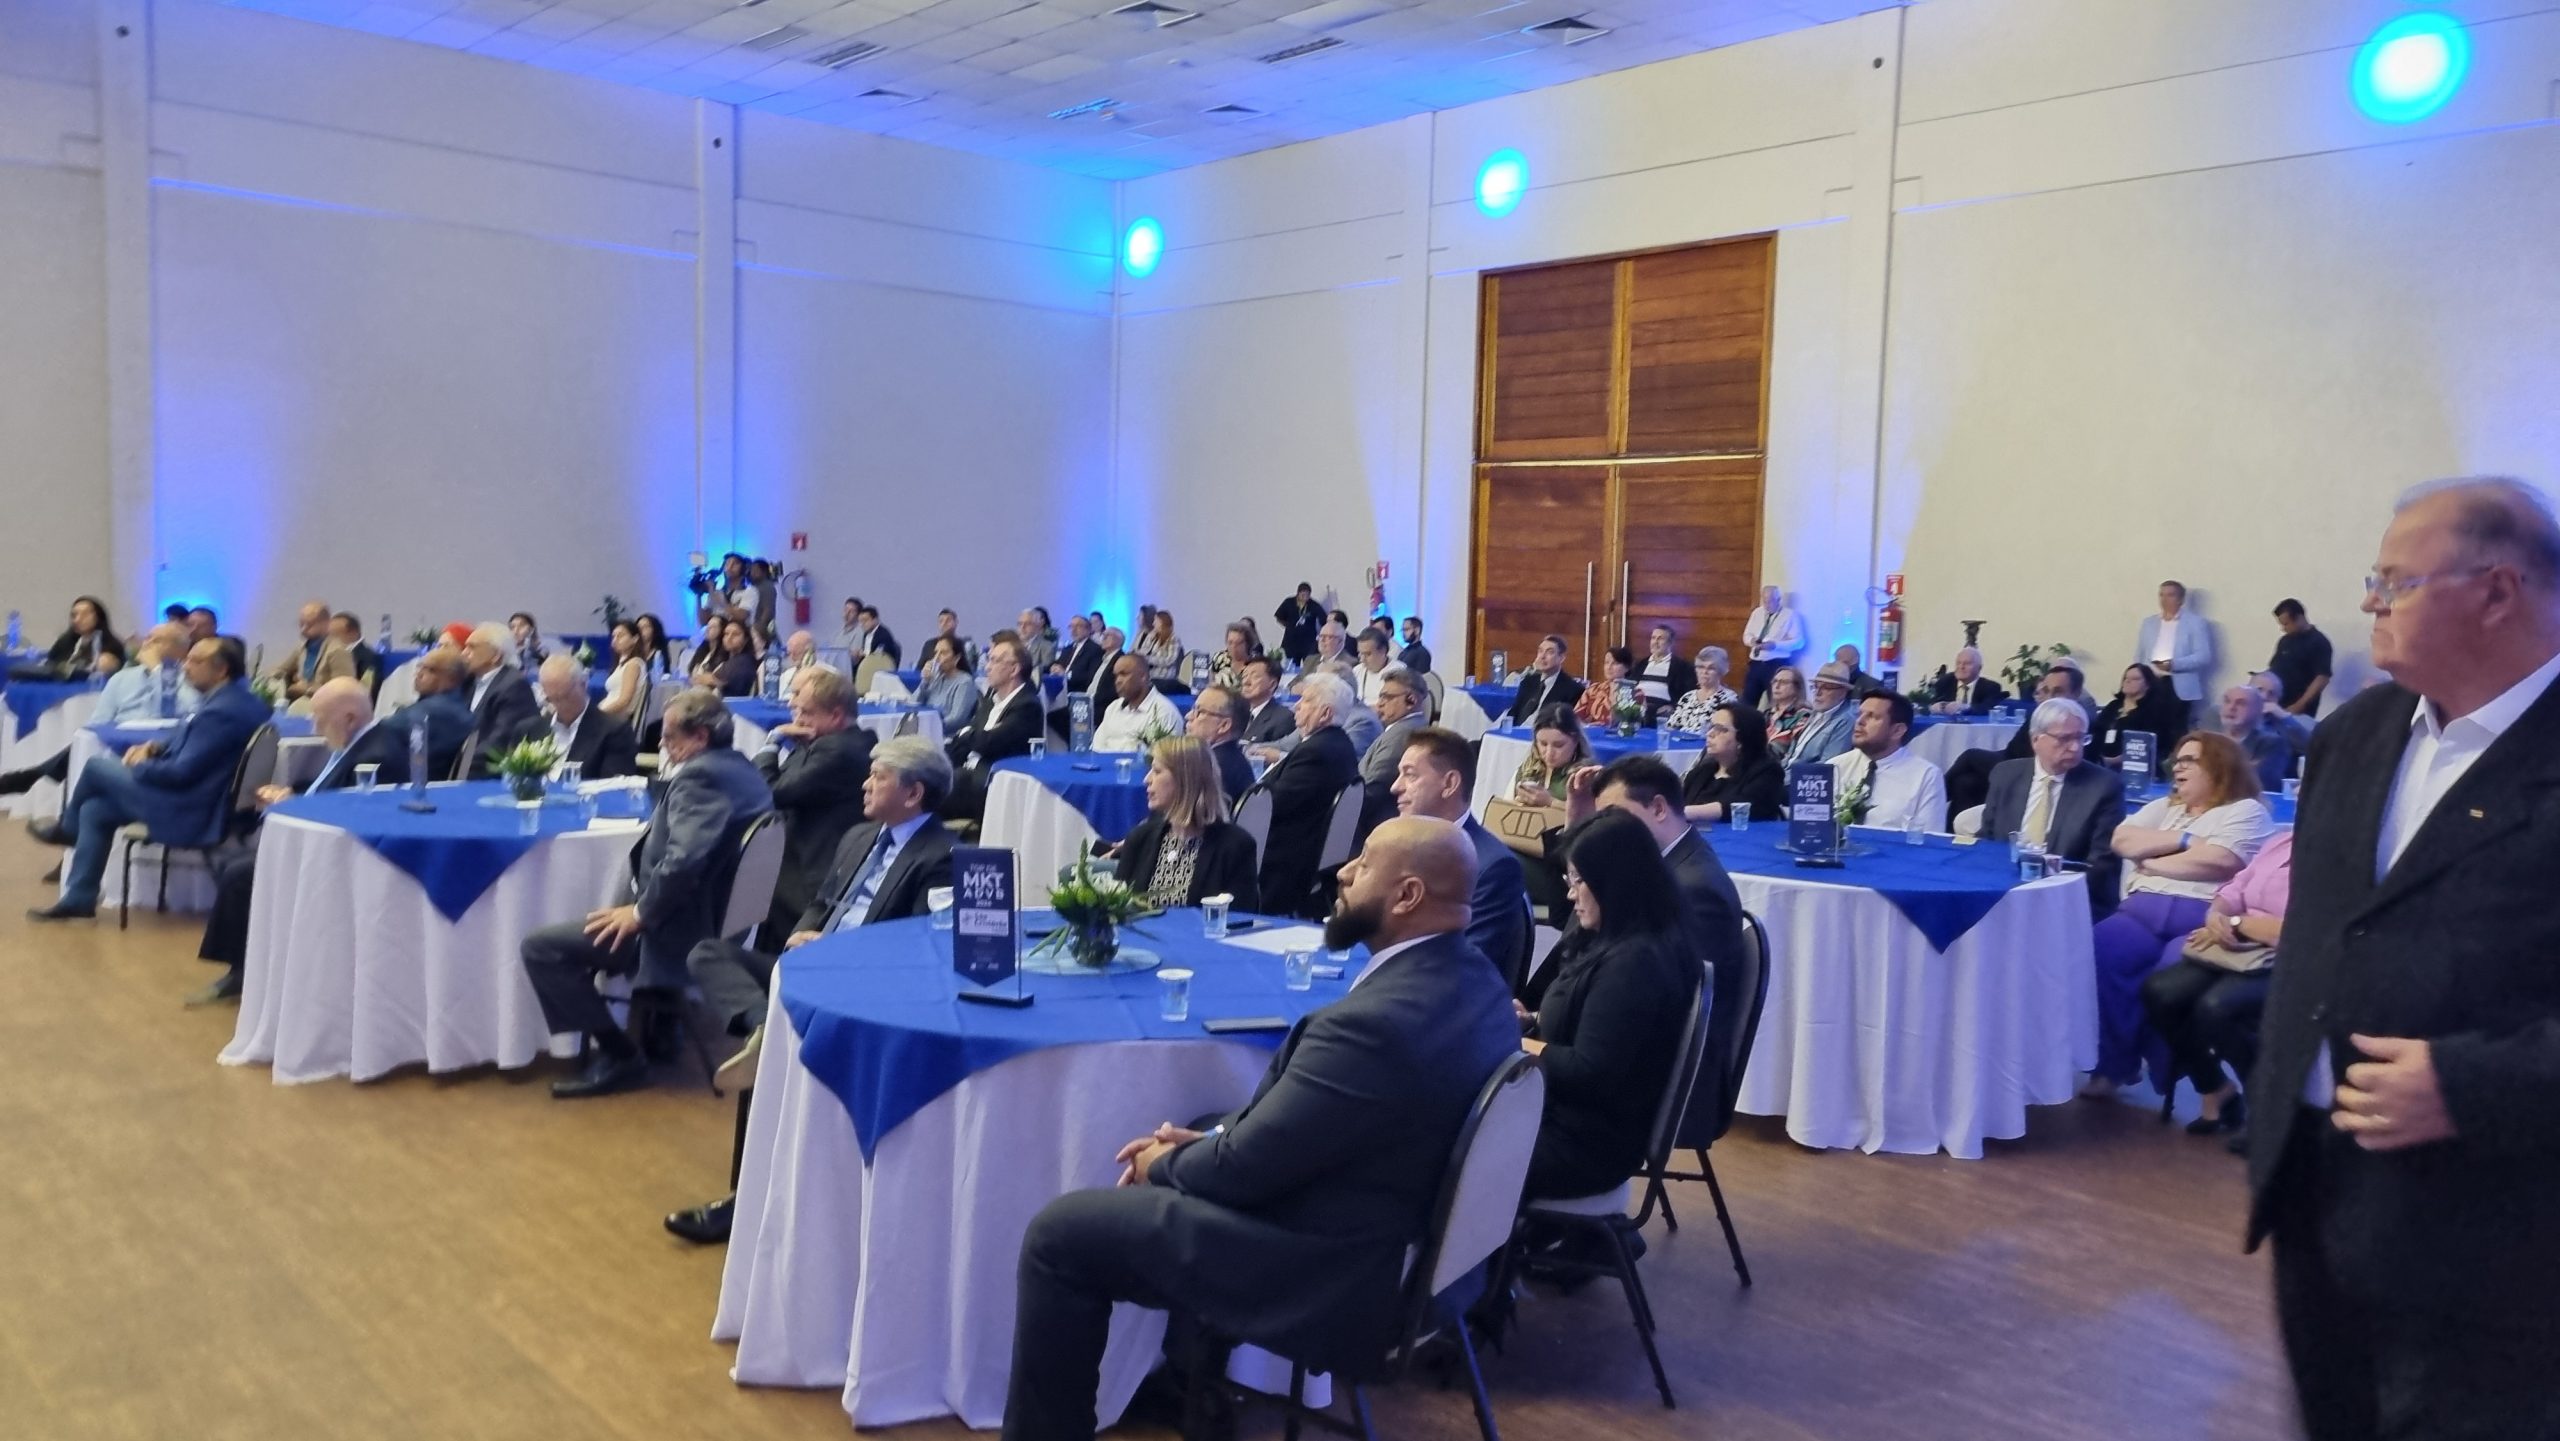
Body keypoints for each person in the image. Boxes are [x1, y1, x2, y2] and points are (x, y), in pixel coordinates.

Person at [999, 818, 1518, 1441]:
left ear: (1407, 895)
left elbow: (1241, 1171)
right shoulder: (1479, 981)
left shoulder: (1372, 1026)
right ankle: (1194, 1378)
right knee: (1205, 1126)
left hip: (1345, 1276)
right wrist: (1206, 1143)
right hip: (1424, 1252)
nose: (1344, 873)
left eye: (1363, 863)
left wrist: (1160, 1162)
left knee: (1061, 1236)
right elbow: (1308, 1134)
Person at [2245, 477, 2560, 1439]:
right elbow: (2332, 934)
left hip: (2499, 1221)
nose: (2370, 603)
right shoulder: (2356, 734)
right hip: (2317, 1190)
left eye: (2395, 583)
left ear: (2497, 591)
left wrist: (2472, 1083)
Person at [667, 734, 955, 1244]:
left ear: (913, 794)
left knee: (775, 1049)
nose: (865, 785)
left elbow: (919, 948)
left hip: (863, 990)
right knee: (709, 954)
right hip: (811, 969)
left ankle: (742, 1201)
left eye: (879, 777)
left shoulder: (943, 855)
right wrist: (800, 938)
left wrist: (837, 951)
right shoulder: (858, 836)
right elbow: (822, 904)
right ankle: (762, 1027)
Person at [518, 690, 773, 1099]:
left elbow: (684, 861)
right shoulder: (741, 768)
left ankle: (620, 1056)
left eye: (670, 737)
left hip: (675, 930)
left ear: (700, 737)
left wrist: (639, 914)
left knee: (542, 948)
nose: (662, 745)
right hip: (713, 918)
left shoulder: (700, 778)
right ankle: (659, 1023)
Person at [187, 678, 409, 1003]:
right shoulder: (361, 742)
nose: (314, 727)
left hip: (346, 858)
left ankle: (245, 971)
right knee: (237, 866)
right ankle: (251, 963)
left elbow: (353, 813)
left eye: (320, 718)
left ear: (349, 718)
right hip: (324, 844)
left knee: (240, 874)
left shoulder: (377, 756)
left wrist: (293, 804)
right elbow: (332, 792)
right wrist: (292, 794)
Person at [1518, 809, 1701, 1200]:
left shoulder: (1634, 963)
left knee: (1435, 1141)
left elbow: (1590, 1070)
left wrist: (1517, 1044)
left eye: (1578, 881)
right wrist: (1534, 1019)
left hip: (1582, 1146)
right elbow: (1599, 1025)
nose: (1570, 894)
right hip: (1570, 1121)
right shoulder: (1622, 938)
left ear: (1614, 881)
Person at [2086, 730, 2273, 1098]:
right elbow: (2121, 840)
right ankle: (2113, 1065)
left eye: (2189, 761)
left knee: (2168, 981)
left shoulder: (2245, 811)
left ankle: (2171, 1070)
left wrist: (2152, 862)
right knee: (2100, 949)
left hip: (2200, 919)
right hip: (2140, 912)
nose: (2177, 767)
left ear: (2219, 767)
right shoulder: (2164, 808)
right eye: (2177, 760)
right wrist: (2184, 840)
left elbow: (2220, 860)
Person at [27, 639, 266, 921]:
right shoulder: (242, 702)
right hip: (204, 800)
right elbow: (195, 743)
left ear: (222, 669)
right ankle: (79, 898)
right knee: (95, 810)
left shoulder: (219, 713)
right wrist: (155, 748)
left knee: (95, 767)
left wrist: (141, 766)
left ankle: (68, 829)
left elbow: (180, 774)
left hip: (190, 810)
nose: (185, 667)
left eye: (195, 661)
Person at [2139, 829, 2290, 1141]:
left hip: (2290, 959)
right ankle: (2214, 1086)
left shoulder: (2337, 856)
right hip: (2239, 947)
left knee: (2217, 1008)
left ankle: (2265, 1108)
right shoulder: (2281, 841)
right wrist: (2217, 915)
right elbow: (2236, 887)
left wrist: (2240, 924)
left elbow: (2300, 929)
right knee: (2161, 992)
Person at [1391, 727, 1529, 988]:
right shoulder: (1401, 845)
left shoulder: (1492, 867)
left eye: (1410, 775)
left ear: (1449, 784)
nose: (1395, 786)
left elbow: (1465, 965)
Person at [745, 666, 874, 941]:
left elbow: (769, 793)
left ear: (836, 715)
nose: (798, 720)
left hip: (808, 874)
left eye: (806, 712)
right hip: (797, 859)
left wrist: (772, 742)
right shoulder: (830, 741)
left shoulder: (837, 751)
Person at [0, 622, 197, 798]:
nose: (148, 644)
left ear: (180, 650)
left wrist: (158, 672)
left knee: (78, 752)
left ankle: (34, 775)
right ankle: (55, 801)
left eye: (158, 641)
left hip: (161, 745)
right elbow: (98, 722)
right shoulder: (122, 678)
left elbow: (185, 710)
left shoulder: (190, 678)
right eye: (148, 638)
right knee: (82, 744)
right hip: (118, 740)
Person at [1981, 698, 2125, 912]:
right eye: (2064, 738)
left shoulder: (2103, 786)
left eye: (2081, 738)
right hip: (2001, 891)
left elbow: (2101, 866)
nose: (2075, 747)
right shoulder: (2006, 775)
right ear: (2036, 740)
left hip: (2066, 898)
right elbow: (1988, 841)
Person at [1237, 671, 1359, 918]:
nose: (1296, 707)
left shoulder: (1318, 752)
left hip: (1287, 858)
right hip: (1303, 845)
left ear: (1325, 713)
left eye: (1305, 701)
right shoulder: (1334, 743)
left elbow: (1271, 805)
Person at [1110, 737, 1260, 910]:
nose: (1147, 779)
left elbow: (1240, 918)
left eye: (1157, 771)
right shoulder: (1140, 838)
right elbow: (1117, 910)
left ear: (1185, 779)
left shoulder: (1235, 846)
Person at [942, 636, 1043, 821]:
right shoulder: (991, 701)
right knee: (917, 773)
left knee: (920, 792)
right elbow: (967, 737)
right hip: (964, 771)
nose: (987, 667)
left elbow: (986, 742)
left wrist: (967, 736)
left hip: (986, 782)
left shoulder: (1027, 705)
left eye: (994, 661)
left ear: (1014, 669)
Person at [1827, 692, 1947, 831]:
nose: (1859, 721)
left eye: (1872, 716)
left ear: (1897, 731)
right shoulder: (1835, 767)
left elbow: (1929, 837)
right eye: (1859, 714)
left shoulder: (1926, 776)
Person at [536, 655, 638, 781]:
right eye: (551, 699)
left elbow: (614, 787)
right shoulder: (532, 730)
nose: (559, 705)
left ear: (583, 685)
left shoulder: (614, 731)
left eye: (565, 697)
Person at [460, 622, 543, 775]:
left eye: (471, 648)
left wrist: (457, 762)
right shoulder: (468, 682)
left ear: (496, 656)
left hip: (490, 775)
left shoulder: (514, 687)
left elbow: (500, 743)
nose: (463, 653)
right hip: (465, 769)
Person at [1681, 702, 1784, 824]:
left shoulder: (1767, 771)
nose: (1710, 734)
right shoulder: (1701, 772)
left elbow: (1742, 806)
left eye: (1720, 729)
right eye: (1711, 727)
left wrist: (1685, 813)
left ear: (1742, 738)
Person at [2137, 579, 2214, 721]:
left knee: (2176, 726)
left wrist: (2173, 664)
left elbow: (2203, 656)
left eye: (2170, 595)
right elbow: (2140, 654)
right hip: (2151, 682)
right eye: (2161, 595)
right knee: (2148, 723)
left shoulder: (2195, 623)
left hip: (2178, 685)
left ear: (2181, 599)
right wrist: (2138, 677)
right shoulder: (2149, 623)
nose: (2164, 599)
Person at [2093, 662, 2188, 777]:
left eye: (2135, 679)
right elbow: (2096, 731)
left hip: (2135, 766)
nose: (2128, 681)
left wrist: (2114, 760)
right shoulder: (2113, 705)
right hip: (2100, 763)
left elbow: (2149, 745)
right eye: (2126, 678)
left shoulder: (2154, 710)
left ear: (2147, 684)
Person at [401, 649, 477, 781]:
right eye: (420, 667)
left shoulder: (436, 710)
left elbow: (387, 730)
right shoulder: (457, 707)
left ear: (451, 679)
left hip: (420, 782)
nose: (419, 674)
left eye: (430, 670)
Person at [1507, 705, 1592, 812]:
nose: (1549, 753)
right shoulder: (1527, 770)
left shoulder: (1587, 776)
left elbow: (1594, 816)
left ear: (1576, 742)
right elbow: (1504, 806)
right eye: (1543, 744)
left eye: (1558, 745)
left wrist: (1550, 802)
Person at [1093, 654, 1180, 753]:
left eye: (1123, 674)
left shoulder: (1164, 712)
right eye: (1116, 676)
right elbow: (1097, 747)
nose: (1118, 681)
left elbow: (1162, 757)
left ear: (1142, 676)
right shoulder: (1113, 707)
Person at [1183, 684, 1256, 803]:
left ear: (1224, 725)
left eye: (1199, 712)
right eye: (1193, 709)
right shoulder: (1233, 759)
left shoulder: (1211, 768)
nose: (1188, 716)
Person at [271, 600, 354, 702]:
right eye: (301, 624)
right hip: (300, 704)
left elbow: (344, 690)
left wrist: (307, 689)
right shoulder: (302, 647)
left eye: (309, 625)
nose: (303, 629)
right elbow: (280, 670)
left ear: (325, 624)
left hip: (325, 705)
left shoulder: (338, 651)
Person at [2218, 683, 2294, 792]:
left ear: (2258, 710)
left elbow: (2259, 782)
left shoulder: (2272, 743)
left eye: (2241, 703)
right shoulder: (2208, 741)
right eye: (2227, 701)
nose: (2231, 708)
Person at [1358, 667, 1426, 786]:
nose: (1379, 704)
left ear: (1411, 701)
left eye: (1387, 697)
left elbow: (1375, 786)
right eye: (1380, 697)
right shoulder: (1407, 727)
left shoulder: (1402, 735)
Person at [1739, 584, 1804, 708]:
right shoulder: (1757, 613)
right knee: (1747, 702)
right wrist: (1752, 641)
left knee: (1776, 702)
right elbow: (1746, 635)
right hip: (1756, 663)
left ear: (1779, 600)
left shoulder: (1790, 615)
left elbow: (1799, 642)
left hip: (1776, 664)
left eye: (1770, 601)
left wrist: (1775, 645)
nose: (1767, 604)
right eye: (1764, 601)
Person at [2266, 597, 2332, 717]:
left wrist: (2299, 705)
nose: (2283, 629)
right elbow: (2274, 668)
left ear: (2299, 618)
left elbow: (2322, 678)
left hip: (2298, 710)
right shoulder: (2285, 641)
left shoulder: (2319, 642)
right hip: (2276, 705)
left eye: (2286, 624)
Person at [1783, 660, 1858, 764]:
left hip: (1805, 773)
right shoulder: (1815, 712)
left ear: (1842, 692)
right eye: (1816, 686)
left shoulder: (1846, 721)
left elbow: (1828, 765)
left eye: (1826, 687)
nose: (1818, 693)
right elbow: (1792, 754)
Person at [1505, 634, 1585, 725]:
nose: (1542, 656)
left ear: (1561, 658)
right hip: (1516, 731)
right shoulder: (1528, 681)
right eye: (1540, 651)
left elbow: (1564, 724)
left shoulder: (1573, 689)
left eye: (1549, 652)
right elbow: (1514, 712)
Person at [41, 596, 127, 679]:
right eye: (74, 615)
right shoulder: (64, 642)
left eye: (85, 614)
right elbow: (49, 665)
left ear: (98, 617)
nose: (77, 619)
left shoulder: (112, 646)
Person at [1659, 646, 1737, 733]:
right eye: (1701, 667)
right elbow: (1670, 727)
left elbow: (1724, 733)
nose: (1704, 672)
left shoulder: (1729, 699)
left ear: (1721, 671)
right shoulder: (1687, 697)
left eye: (1711, 668)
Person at [916, 635, 982, 734]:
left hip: (948, 735)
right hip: (928, 730)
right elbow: (914, 703)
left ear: (957, 658)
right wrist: (925, 681)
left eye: (943, 653)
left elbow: (957, 719)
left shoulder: (965, 682)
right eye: (936, 653)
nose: (936, 658)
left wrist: (928, 726)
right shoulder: (935, 677)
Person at [1925, 647, 2007, 715]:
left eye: (1967, 663)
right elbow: (1928, 703)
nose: (1961, 667)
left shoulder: (1990, 687)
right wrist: (1935, 707)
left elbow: (1988, 709)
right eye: (1958, 663)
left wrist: (1966, 707)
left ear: (1979, 668)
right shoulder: (1945, 682)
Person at [1634, 625, 1697, 710]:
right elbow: (1631, 686)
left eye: (1660, 639)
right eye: (1653, 638)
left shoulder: (1682, 666)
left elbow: (1689, 693)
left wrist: (1673, 706)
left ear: (1670, 643)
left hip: (1663, 711)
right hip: (1638, 710)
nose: (1655, 642)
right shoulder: (1641, 664)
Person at [1236, 656, 1295, 746]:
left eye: (1255, 676)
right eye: (1244, 676)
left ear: (1272, 685)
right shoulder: (1235, 714)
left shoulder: (1284, 719)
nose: (1246, 682)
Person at [597, 620, 648, 723]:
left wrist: (598, 714)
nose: (615, 640)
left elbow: (624, 700)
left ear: (634, 639)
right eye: (614, 636)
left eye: (620, 636)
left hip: (616, 720)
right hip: (610, 717)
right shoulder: (622, 664)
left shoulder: (633, 665)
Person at [1575, 646, 1639, 727]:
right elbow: (1575, 717)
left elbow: (1632, 723)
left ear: (1627, 667)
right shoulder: (1593, 689)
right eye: (1606, 662)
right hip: (1590, 732)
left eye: (1615, 663)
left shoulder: (1636, 693)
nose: (1609, 667)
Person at [330, 612, 382, 700]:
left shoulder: (367, 657)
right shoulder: (332, 654)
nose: (330, 640)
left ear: (353, 633)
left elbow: (367, 689)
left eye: (335, 635)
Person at [1760, 663, 1810, 753]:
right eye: (1774, 681)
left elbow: (1786, 750)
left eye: (1783, 682)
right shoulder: (1767, 714)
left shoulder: (1804, 716)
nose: (1777, 686)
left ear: (1797, 688)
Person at [1273, 582, 1323, 663]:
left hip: (1308, 642)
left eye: (1307, 595)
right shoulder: (1289, 602)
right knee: (1290, 665)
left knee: (1309, 665)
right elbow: (1279, 617)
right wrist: (1288, 626)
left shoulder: (1313, 605)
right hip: (1291, 641)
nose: (1305, 598)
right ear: (1298, 594)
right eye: (1303, 595)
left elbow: (1323, 619)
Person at [1206, 623, 1256, 693]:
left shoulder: (1255, 664)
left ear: (1247, 644)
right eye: (1230, 642)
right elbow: (1210, 683)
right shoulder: (1219, 658)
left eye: (1239, 643)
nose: (1234, 647)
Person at [1350, 628, 1394, 708]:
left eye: (1367, 654)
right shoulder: (1357, 670)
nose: (1362, 659)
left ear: (1383, 651)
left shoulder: (1398, 672)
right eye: (1360, 653)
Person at [1135, 609, 1182, 683]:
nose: (1153, 623)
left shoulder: (1173, 639)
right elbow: (1144, 651)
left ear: (1162, 622)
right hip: (1149, 675)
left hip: (1163, 677)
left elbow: (1169, 660)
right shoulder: (1153, 636)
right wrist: (1149, 641)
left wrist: (1149, 659)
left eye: (1155, 621)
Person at [1017, 607, 1059, 673]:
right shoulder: (1012, 644)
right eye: (1020, 624)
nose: (1022, 627)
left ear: (1037, 626)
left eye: (1028, 624)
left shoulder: (1047, 647)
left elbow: (1042, 672)